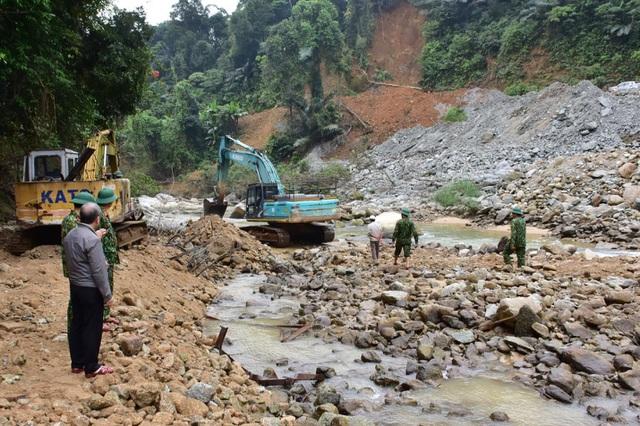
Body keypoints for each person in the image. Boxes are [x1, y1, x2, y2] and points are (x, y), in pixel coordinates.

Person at [63, 203, 114, 377]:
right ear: (97, 219)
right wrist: (107, 295)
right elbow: (99, 271)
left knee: (77, 323)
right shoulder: (92, 240)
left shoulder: (71, 234)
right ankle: (92, 366)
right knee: (92, 326)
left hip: (75, 286)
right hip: (90, 289)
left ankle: (77, 363)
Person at [61, 191, 102, 336]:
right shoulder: (74, 222)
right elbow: (80, 243)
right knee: (79, 306)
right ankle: (77, 328)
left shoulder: (70, 219)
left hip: (74, 265)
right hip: (79, 268)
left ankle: (78, 327)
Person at [96, 188, 120, 326]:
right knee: (104, 287)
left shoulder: (102, 214)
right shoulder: (99, 215)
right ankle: (101, 317)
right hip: (104, 257)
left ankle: (105, 314)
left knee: (108, 286)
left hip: (108, 257)